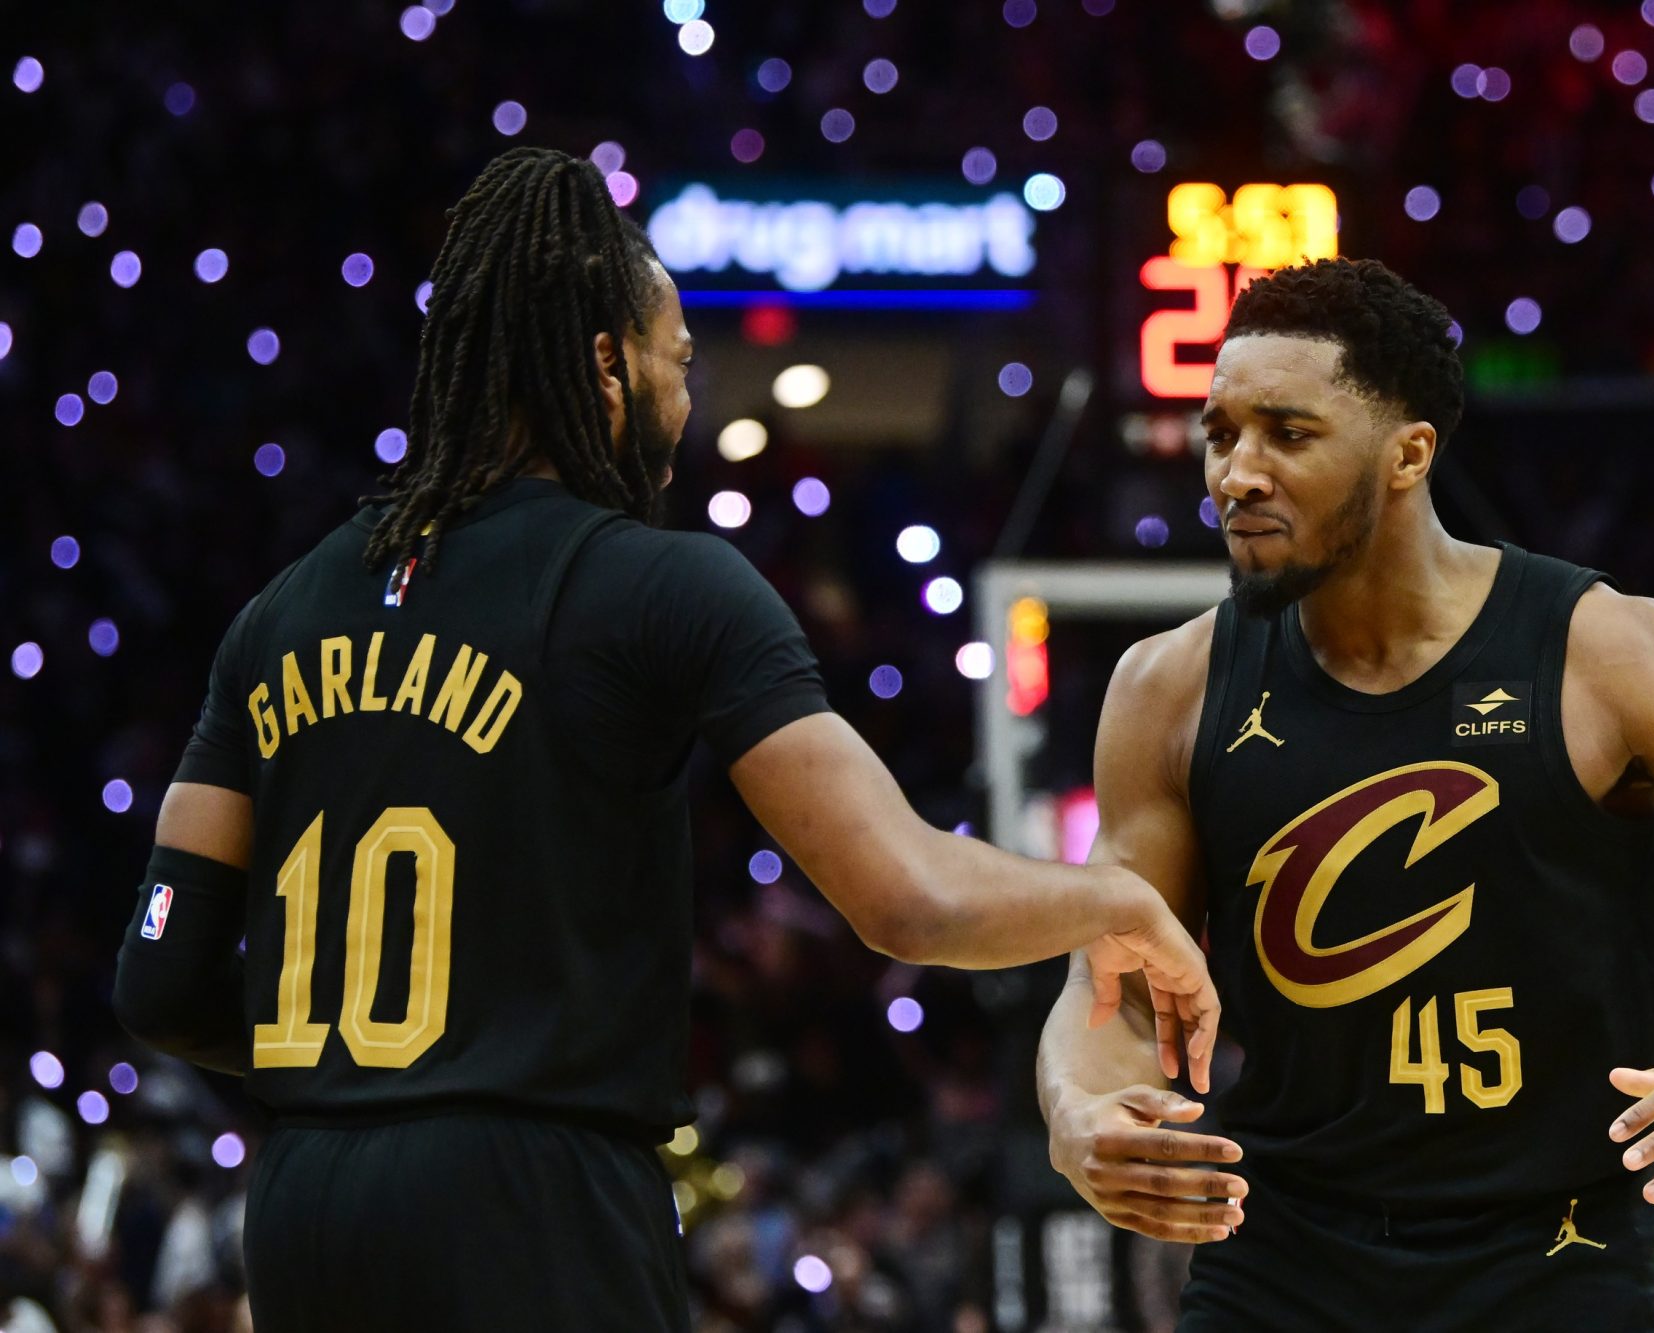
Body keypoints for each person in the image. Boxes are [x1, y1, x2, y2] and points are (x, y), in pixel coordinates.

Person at [110, 147, 1219, 1333]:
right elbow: (905, 896)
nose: (687, 404)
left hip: (304, 1202)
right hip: (537, 1198)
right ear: (606, 366)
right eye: (677, 363)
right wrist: (1114, 902)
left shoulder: (278, 611)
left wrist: (355, 1077)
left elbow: (162, 978)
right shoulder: (664, 584)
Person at [1035, 257, 1654, 1331]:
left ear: (1409, 451)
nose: (1235, 472)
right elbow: (1117, 986)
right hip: (1281, 1269)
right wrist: (1077, 1112)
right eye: (1220, 432)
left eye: (1287, 432)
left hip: (1554, 1266)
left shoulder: (1609, 654)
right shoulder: (1168, 688)